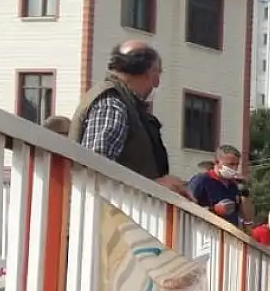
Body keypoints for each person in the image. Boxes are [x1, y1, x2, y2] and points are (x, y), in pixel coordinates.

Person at [70, 40, 190, 197]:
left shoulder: (122, 103)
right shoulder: (113, 105)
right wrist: (154, 186)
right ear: (150, 72)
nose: (158, 82)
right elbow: (95, 167)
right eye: (158, 73)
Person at [188, 145, 253, 227]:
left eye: (237, 165)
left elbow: (248, 218)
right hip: (207, 233)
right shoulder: (201, 180)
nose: (234, 168)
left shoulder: (233, 185)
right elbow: (187, 207)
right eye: (231, 164)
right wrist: (214, 210)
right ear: (217, 162)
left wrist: (245, 193)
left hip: (229, 234)